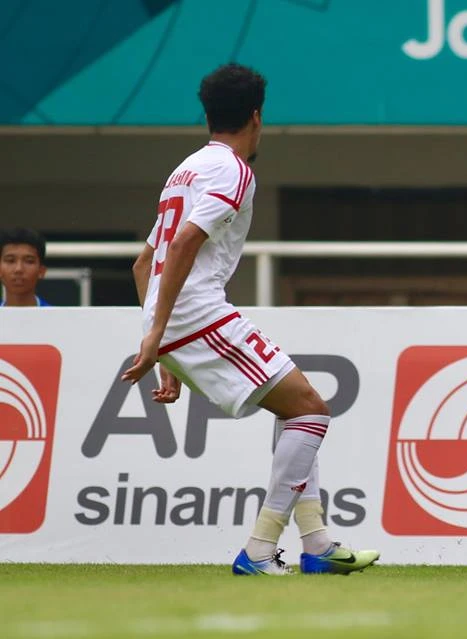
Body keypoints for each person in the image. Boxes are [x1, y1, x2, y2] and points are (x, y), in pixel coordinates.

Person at [120, 63, 379, 576]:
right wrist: (159, 337)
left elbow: (144, 263)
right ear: (256, 117)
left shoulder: (184, 171)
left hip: (178, 319)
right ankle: (260, 550)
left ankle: (317, 544)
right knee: (311, 410)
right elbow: (185, 244)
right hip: (197, 312)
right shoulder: (234, 171)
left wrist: (162, 345)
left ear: (208, 116)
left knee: (296, 409)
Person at [0, 228, 51, 307]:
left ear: (41, 271)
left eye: (29, 261)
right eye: (10, 261)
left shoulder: (56, 315)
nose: (18, 269)